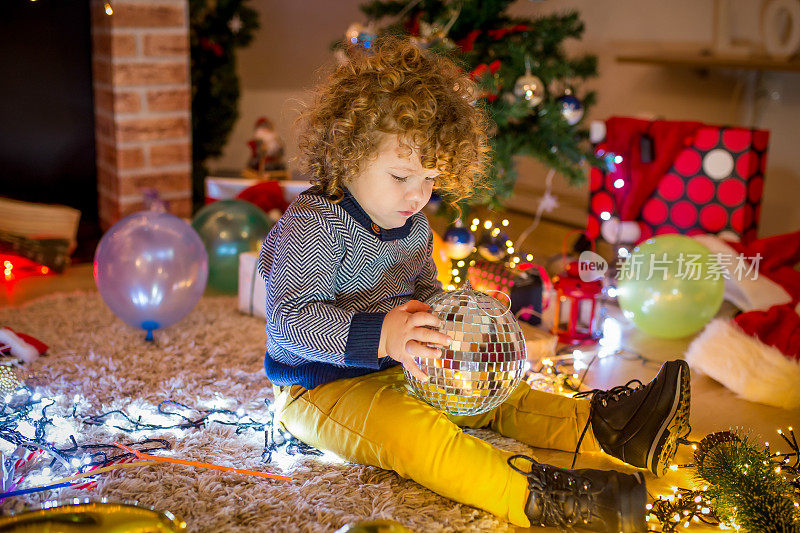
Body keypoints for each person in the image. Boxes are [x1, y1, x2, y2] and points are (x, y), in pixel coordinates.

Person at [259, 38, 690, 532]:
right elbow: (287, 324)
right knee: (421, 436)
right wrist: (383, 336)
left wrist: (464, 315)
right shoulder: (313, 226)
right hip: (321, 388)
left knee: (496, 395)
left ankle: (614, 429)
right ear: (348, 154)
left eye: (430, 179)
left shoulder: (415, 227)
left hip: (407, 364)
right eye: (401, 176)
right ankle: (540, 497)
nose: (418, 195)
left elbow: (427, 293)